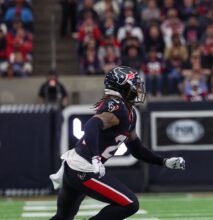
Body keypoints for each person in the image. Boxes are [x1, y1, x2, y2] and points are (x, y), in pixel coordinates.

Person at [49, 66, 185, 220]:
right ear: (121, 87)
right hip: (83, 168)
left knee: (62, 217)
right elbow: (91, 125)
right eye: (134, 85)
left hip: (74, 167)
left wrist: (164, 162)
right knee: (129, 204)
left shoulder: (130, 112)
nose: (138, 89)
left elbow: (136, 149)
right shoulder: (117, 107)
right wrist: (96, 158)